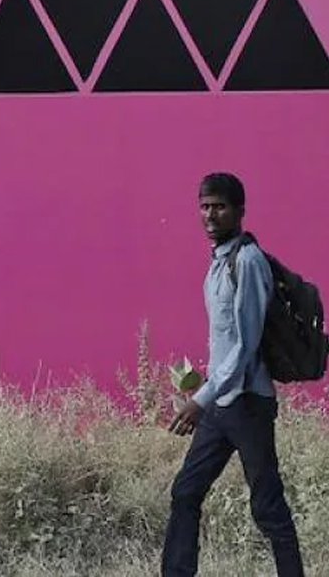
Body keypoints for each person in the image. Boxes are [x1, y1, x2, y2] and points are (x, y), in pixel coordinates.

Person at [162, 172, 304, 576]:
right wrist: (200, 386)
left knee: (268, 506)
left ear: (240, 211)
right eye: (204, 207)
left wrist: (200, 400)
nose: (210, 215)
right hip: (221, 403)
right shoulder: (217, 264)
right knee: (185, 492)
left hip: (249, 405)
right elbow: (226, 345)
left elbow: (245, 345)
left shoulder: (248, 261)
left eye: (220, 207)